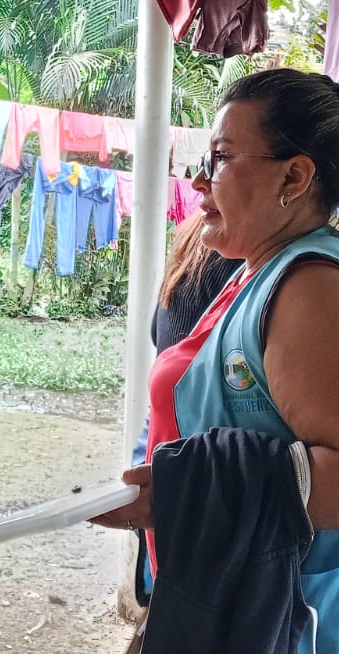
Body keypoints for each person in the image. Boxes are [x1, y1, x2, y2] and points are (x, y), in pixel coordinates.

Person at [93, 69, 339, 652]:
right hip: (251, 603)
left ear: (294, 177)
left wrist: (186, 495)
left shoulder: (313, 286)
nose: (198, 179)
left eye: (220, 158)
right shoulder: (260, 271)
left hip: (316, 626)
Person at [128, 212, 244, 607]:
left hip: (161, 442)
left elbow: (157, 331)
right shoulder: (242, 250)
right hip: (191, 447)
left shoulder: (196, 233)